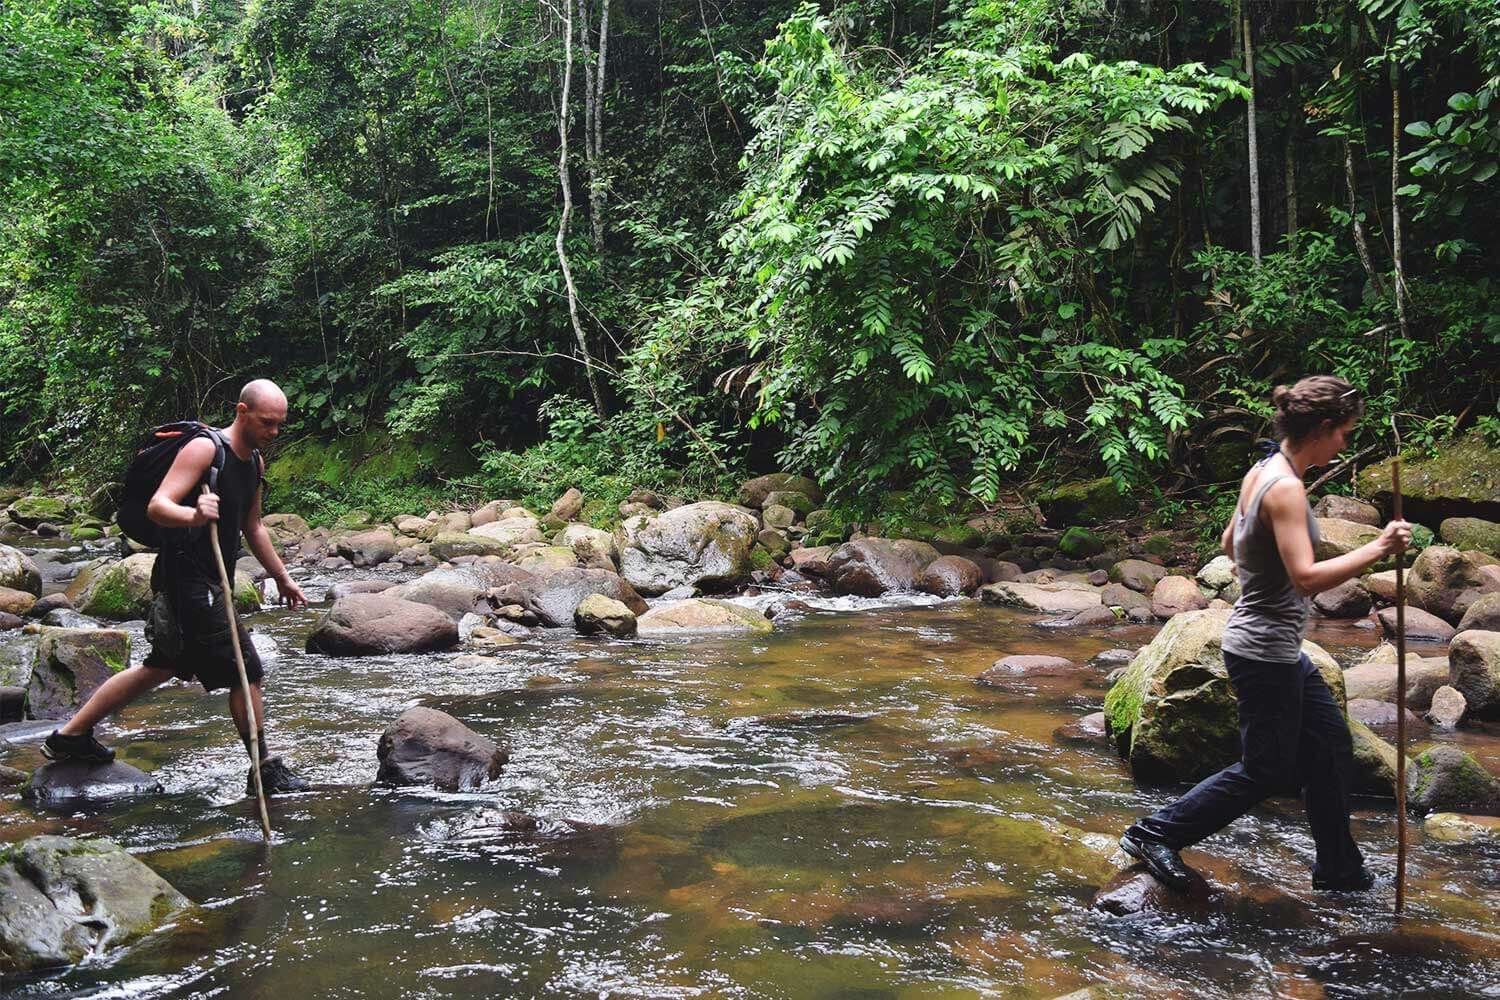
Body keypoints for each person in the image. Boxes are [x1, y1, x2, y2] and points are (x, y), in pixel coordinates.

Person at [1119, 375, 1411, 893]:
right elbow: (1305, 576)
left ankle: (1338, 868)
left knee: (1328, 749)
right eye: (1343, 433)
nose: (1345, 443)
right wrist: (1378, 548)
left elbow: (1231, 541)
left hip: (1277, 647)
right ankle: (1154, 833)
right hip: (1263, 652)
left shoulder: (1263, 468)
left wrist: (1259, 562)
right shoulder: (1285, 489)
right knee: (1265, 768)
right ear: (1321, 428)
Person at [43, 379, 312, 795]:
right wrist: (194, 515)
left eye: (279, 424)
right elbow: (159, 505)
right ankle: (265, 770)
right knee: (249, 673)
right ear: (242, 411)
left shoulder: (253, 462)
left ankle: (70, 735)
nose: (273, 432)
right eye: (266, 422)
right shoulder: (206, 449)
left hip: (209, 580)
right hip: (188, 579)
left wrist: (283, 578)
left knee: (161, 666)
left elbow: (253, 526)